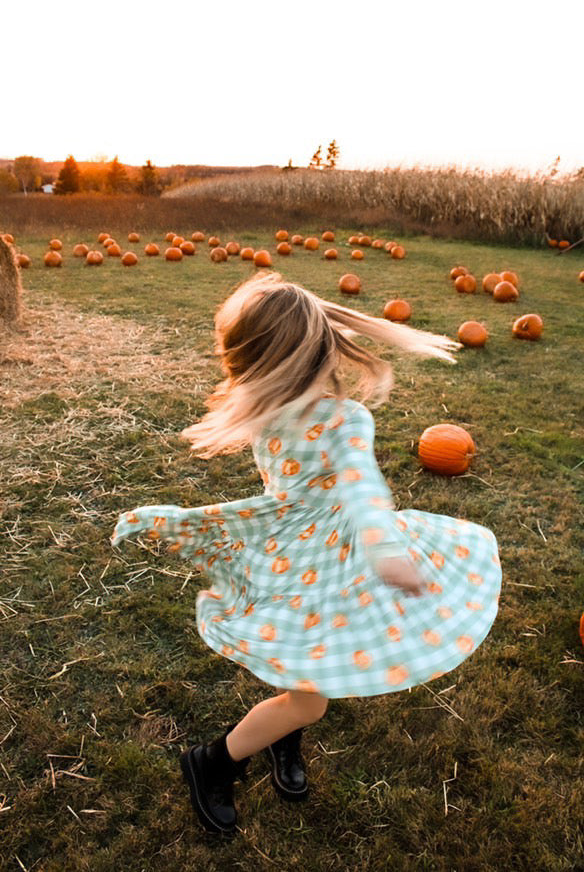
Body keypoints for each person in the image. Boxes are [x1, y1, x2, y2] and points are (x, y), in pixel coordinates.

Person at [111, 272, 502, 835]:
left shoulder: (263, 407)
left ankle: (283, 737)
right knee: (311, 699)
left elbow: (356, 487)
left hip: (301, 552)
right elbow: (365, 491)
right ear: (316, 352)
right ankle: (212, 762)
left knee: (308, 655)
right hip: (324, 554)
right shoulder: (341, 417)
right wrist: (386, 551)